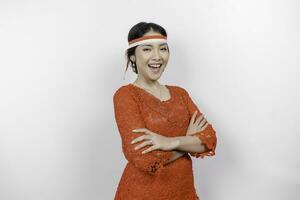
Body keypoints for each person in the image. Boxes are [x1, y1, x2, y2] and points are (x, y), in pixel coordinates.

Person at [113, 22, 217, 200]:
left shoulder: (180, 94)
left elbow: (209, 139)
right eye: (147, 49)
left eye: (163, 49)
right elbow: (143, 158)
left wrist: (170, 142)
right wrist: (187, 142)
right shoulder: (125, 96)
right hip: (142, 193)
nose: (157, 56)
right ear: (132, 56)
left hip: (184, 192)